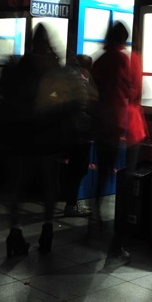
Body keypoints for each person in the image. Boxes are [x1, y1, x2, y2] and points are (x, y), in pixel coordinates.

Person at [0, 23, 65, 257]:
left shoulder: (20, 65)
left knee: (17, 184)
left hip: (20, 135)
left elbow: (5, 93)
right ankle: (47, 229)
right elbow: (60, 98)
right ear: (46, 43)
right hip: (47, 135)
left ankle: (15, 233)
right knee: (49, 183)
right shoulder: (52, 67)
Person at [91, 20, 133, 263]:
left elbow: (93, 88)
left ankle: (95, 209)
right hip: (116, 121)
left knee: (102, 168)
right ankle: (115, 226)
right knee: (118, 173)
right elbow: (128, 88)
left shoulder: (100, 59)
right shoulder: (122, 59)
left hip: (100, 122)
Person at [60, 54, 96, 217]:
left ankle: (70, 202)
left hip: (66, 131)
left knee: (71, 169)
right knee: (78, 169)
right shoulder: (80, 82)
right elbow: (80, 110)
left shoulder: (64, 79)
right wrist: (91, 126)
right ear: (85, 67)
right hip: (79, 134)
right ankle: (71, 205)